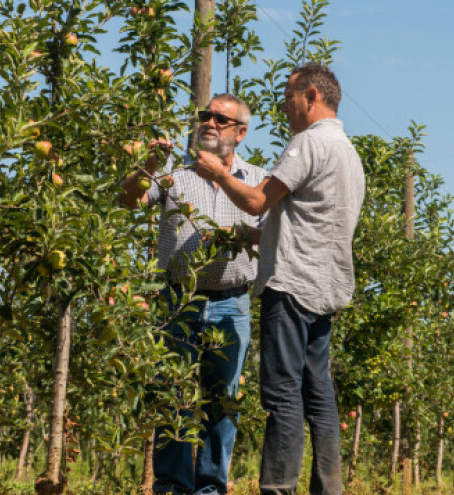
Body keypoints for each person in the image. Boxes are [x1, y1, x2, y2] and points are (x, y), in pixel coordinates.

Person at [195, 63, 365, 495]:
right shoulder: (348, 152)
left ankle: (278, 489)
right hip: (324, 288)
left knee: (282, 396)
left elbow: (255, 200)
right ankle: (329, 488)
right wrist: (254, 237)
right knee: (318, 393)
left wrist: (217, 173)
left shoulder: (307, 143)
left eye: (288, 95)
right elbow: (311, 220)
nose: (283, 104)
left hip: (290, 287)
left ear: (310, 96)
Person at [119, 93, 266, 495]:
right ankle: (172, 487)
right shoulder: (173, 174)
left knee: (223, 401)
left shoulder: (257, 180)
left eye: (221, 119)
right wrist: (148, 165)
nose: (209, 122)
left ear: (240, 133)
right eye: (205, 115)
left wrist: (239, 236)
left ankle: (211, 488)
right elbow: (127, 200)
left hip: (232, 301)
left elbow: (275, 235)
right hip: (177, 300)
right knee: (173, 395)